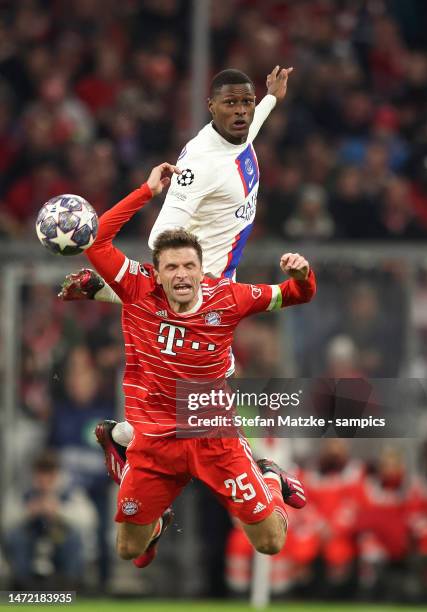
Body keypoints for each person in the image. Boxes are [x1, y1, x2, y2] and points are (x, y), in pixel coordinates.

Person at [60, 65, 294, 481]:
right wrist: (192, 275)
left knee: (195, 397)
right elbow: (160, 235)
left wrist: (271, 98)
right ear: (210, 108)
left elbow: (249, 126)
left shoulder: (237, 134)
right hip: (205, 290)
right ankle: (260, 472)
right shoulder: (203, 163)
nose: (242, 112)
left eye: (246, 102)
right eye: (231, 104)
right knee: (207, 389)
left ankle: (123, 435)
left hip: (218, 281)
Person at [82, 161, 316, 568]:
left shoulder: (229, 297)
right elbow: (96, 240)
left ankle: (271, 477)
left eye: (189, 265)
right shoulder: (137, 287)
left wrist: (303, 274)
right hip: (156, 447)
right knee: (128, 550)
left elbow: (296, 295)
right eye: (171, 267)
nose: (182, 275)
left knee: (270, 542)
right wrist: (145, 191)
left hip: (213, 440)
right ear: (158, 272)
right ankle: (153, 519)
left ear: (201, 269)